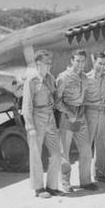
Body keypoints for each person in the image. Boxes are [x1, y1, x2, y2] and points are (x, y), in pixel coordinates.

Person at [22, 49, 70, 198]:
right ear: (38, 63)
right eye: (46, 62)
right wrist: (30, 127)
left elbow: (55, 98)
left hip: (50, 117)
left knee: (57, 153)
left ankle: (52, 186)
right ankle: (38, 188)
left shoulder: (50, 78)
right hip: (37, 117)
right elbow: (26, 106)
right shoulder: (31, 80)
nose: (49, 65)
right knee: (36, 155)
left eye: (50, 62)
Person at [56, 49, 98, 192]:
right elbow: (56, 101)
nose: (80, 64)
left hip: (80, 116)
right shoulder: (63, 77)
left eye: (82, 61)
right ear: (72, 61)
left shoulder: (85, 78)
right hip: (68, 116)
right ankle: (65, 183)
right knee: (65, 152)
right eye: (77, 61)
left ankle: (85, 181)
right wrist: (68, 112)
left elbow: (84, 98)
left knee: (86, 149)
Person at [84, 52, 105, 182]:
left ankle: (100, 173)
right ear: (94, 63)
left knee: (101, 143)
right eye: (99, 63)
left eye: (104, 64)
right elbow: (81, 99)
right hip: (91, 112)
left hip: (102, 113)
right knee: (87, 144)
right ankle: (85, 177)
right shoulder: (86, 78)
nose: (102, 66)